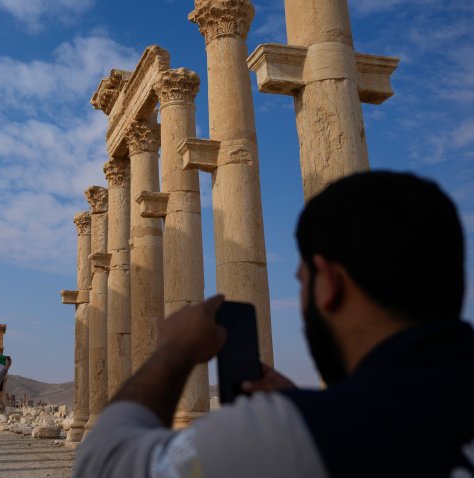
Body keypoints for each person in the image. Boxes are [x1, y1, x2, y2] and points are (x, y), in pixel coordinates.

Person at [74, 171, 474, 478]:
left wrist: (172, 351)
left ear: (329, 284)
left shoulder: (292, 437)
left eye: (301, 282)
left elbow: (103, 463)